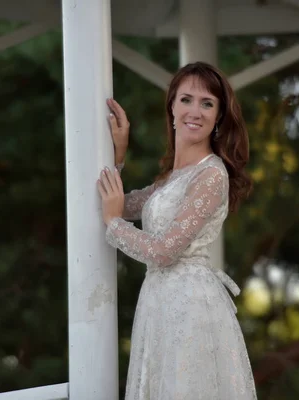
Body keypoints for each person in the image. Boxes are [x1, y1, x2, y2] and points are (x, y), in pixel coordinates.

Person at [96, 62, 257, 400]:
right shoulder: (171, 178)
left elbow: (164, 251)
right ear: (171, 107)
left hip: (191, 307)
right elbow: (120, 203)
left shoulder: (211, 175)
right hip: (160, 303)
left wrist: (114, 225)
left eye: (207, 103)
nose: (194, 111)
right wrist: (118, 153)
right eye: (186, 99)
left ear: (218, 118)